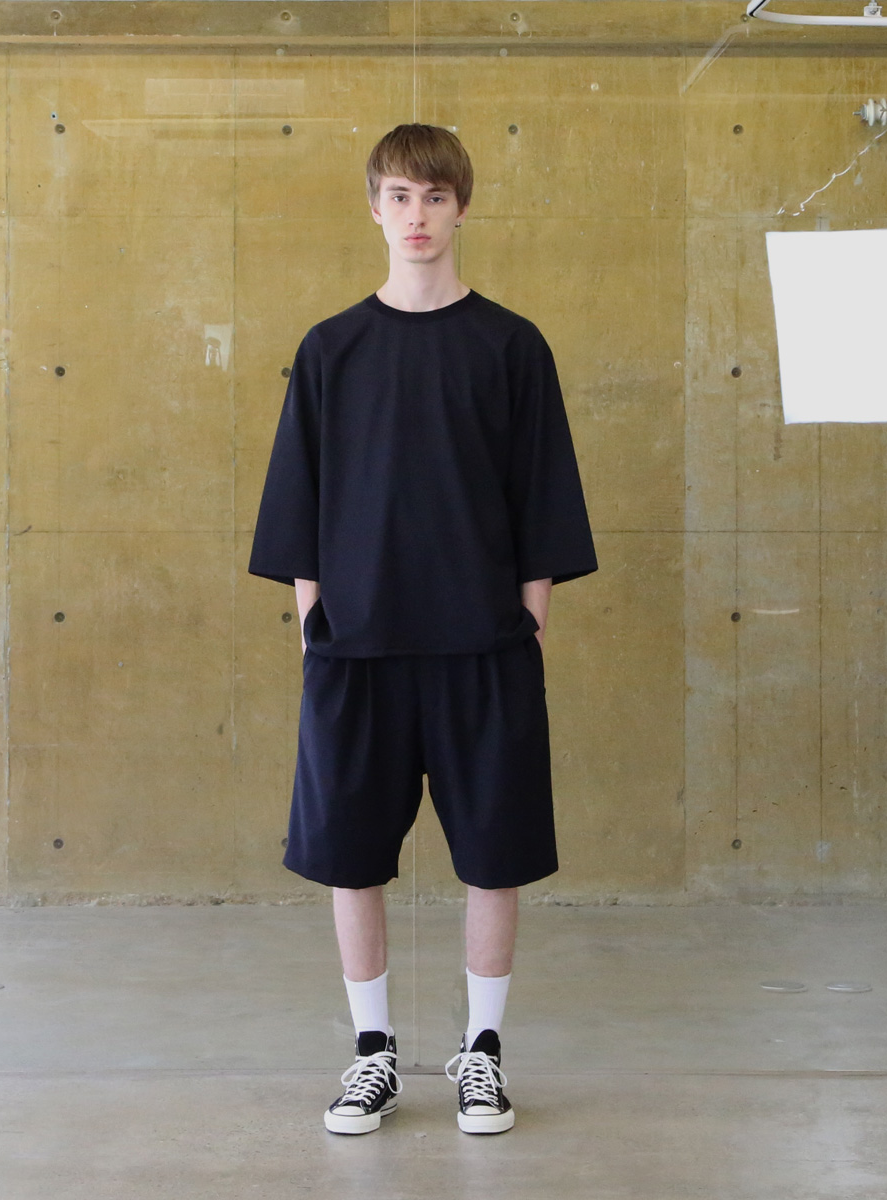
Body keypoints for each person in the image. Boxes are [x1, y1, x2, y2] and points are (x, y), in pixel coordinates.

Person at [248, 124, 597, 1135]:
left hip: (483, 646)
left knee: (495, 855)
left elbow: (542, 490)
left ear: (461, 209)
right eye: (399, 196)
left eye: (435, 197)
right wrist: (314, 626)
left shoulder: (511, 345)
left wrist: (529, 625)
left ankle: (482, 1054)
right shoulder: (331, 348)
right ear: (374, 209)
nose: (417, 216)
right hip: (357, 648)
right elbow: (300, 499)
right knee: (351, 856)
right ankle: (374, 1054)